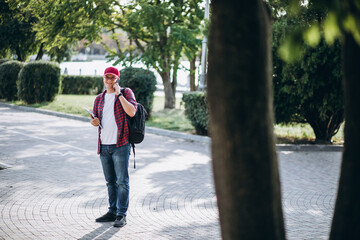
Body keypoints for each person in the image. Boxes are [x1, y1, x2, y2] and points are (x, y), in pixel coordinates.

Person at [90, 66, 137, 228]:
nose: (109, 80)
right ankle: (112, 211)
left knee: (122, 181)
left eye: (112, 77)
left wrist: (119, 94)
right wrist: (94, 122)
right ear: (103, 78)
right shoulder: (99, 99)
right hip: (103, 146)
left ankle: (121, 214)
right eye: (106, 77)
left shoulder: (126, 93)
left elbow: (132, 112)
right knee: (110, 181)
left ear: (117, 79)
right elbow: (95, 119)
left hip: (121, 145)